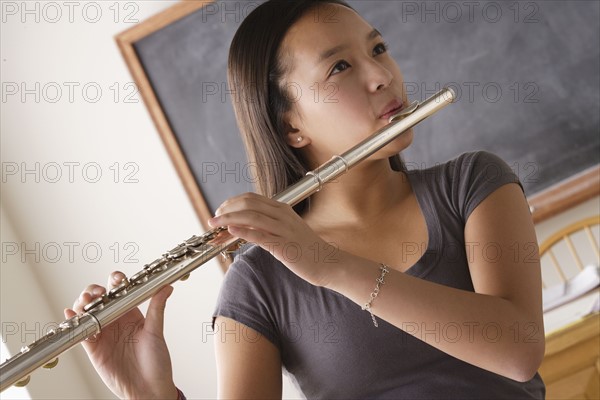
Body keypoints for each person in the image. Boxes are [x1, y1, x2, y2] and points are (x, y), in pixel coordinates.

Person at [67, 0, 546, 398]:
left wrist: (329, 264)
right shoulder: (256, 281)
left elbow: (518, 352)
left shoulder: (473, 184)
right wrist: (150, 395)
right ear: (290, 127)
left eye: (378, 48)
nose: (381, 75)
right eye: (340, 66)